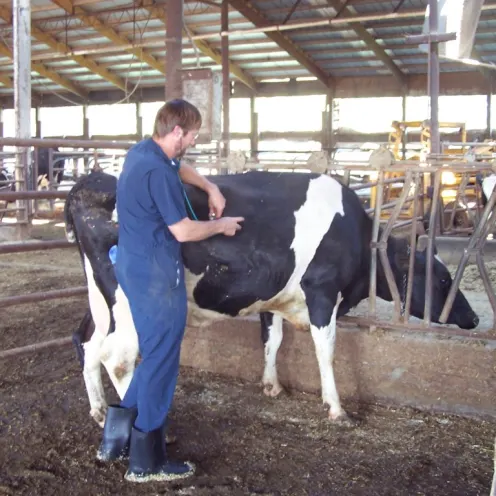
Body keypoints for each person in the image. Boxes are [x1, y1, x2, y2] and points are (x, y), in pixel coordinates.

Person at [96, 99, 244, 483]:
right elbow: (183, 231)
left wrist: (209, 185)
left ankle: (115, 439)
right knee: (162, 358)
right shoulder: (157, 172)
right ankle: (147, 463)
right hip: (157, 277)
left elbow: (181, 167)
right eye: (193, 134)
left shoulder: (142, 152)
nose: (194, 141)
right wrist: (222, 224)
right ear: (178, 131)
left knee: (156, 354)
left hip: (131, 264)